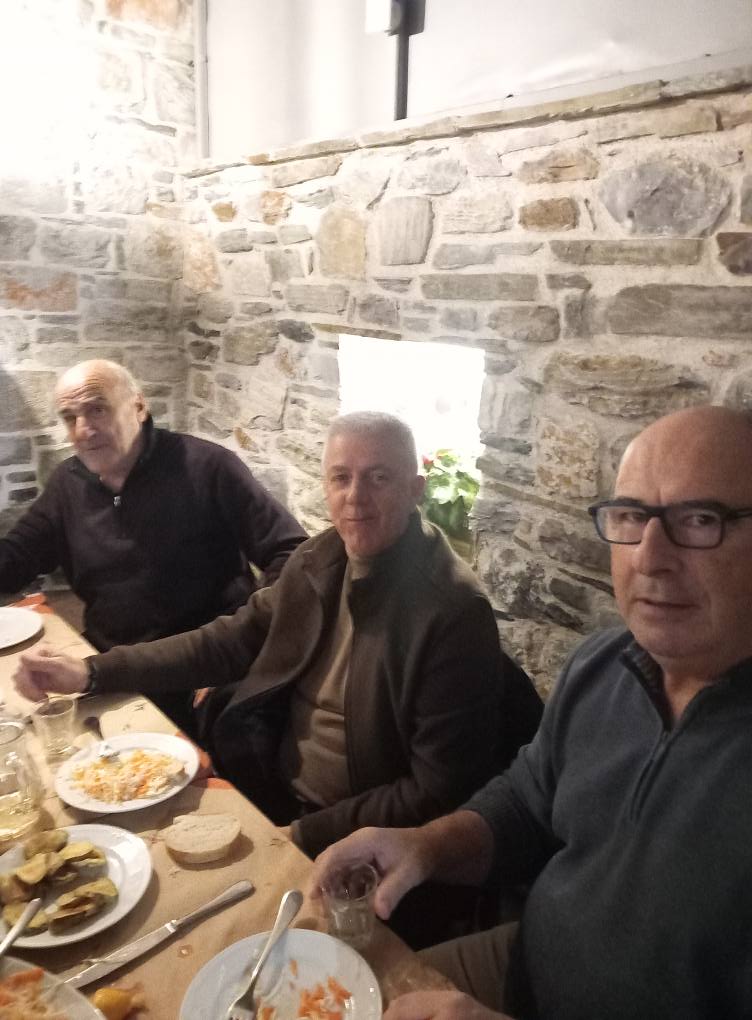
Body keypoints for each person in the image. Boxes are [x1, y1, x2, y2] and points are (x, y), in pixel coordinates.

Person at [310, 404, 752, 1020]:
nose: (650, 557)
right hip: (528, 958)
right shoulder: (604, 664)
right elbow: (524, 804)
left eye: (700, 520)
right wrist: (424, 846)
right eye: (631, 516)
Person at [14, 411, 543, 864]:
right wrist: (92, 671)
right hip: (265, 782)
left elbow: (436, 791)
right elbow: (225, 642)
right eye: (341, 478)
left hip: (350, 838)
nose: (355, 497)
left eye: (379, 477)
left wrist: (301, 836)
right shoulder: (320, 559)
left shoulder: (451, 612)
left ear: (416, 490)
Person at [1, 359, 307, 729]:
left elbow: (291, 552)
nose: (83, 430)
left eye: (97, 409)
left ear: (139, 406)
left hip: (197, 671)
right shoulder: (69, 482)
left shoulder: (207, 467)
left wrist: (242, 645)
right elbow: (16, 558)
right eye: (70, 417)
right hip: (107, 663)